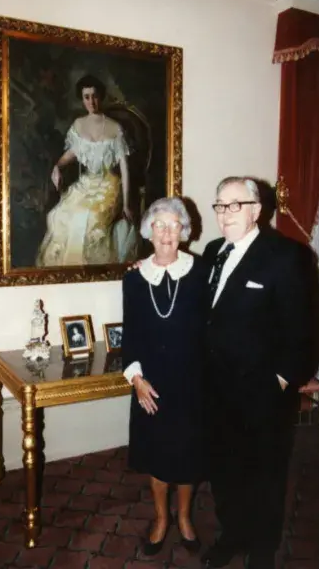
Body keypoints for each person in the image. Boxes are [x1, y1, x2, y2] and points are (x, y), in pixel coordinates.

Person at [201, 177, 314, 569]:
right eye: (219, 205)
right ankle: (232, 535)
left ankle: (262, 550)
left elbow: (307, 328)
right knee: (225, 472)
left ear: (257, 209)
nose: (225, 214)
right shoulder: (213, 251)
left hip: (262, 395)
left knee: (264, 476)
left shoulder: (285, 256)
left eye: (235, 205)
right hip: (217, 392)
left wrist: (281, 380)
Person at [122, 197, 207, 556]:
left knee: (187, 455)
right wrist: (137, 381)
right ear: (149, 232)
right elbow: (132, 334)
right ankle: (161, 519)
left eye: (174, 225)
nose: (167, 232)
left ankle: (185, 518)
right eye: (160, 225)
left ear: (184, 231)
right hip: (152, 383)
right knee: (157, 453)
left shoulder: (202, 272)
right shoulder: (134, 278)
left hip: (193, 381)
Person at [36, 74, 136, 266]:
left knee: (89, 218)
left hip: (108, 185)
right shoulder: (79, 125)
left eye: (95, 96)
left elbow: (125, 168)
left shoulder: (115, 128)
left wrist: (125, 204)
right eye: (86, 97)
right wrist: (57, 166)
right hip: (86, 184)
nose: (91, 101)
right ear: (82, 99)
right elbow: (73, 153)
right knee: (59, 215)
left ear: (101, 96)